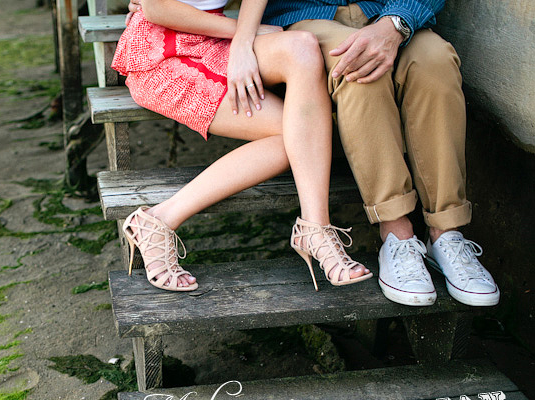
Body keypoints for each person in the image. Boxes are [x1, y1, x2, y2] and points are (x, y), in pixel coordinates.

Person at [128, 0, 500, 306]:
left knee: (299, 128)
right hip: (184, 41)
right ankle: (385, 234)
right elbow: (157, 8)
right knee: (332, 80)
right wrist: (243, 36)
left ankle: (436, 233)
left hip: (225, 33)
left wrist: (398, 21)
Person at [114, 0, 372, 292]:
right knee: (297, 136)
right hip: (161, 48)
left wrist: (242, 40)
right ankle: (159, 219)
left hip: (221, 38)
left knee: (302, 47)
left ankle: (315, 228)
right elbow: (158, 9)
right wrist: (242, 33)